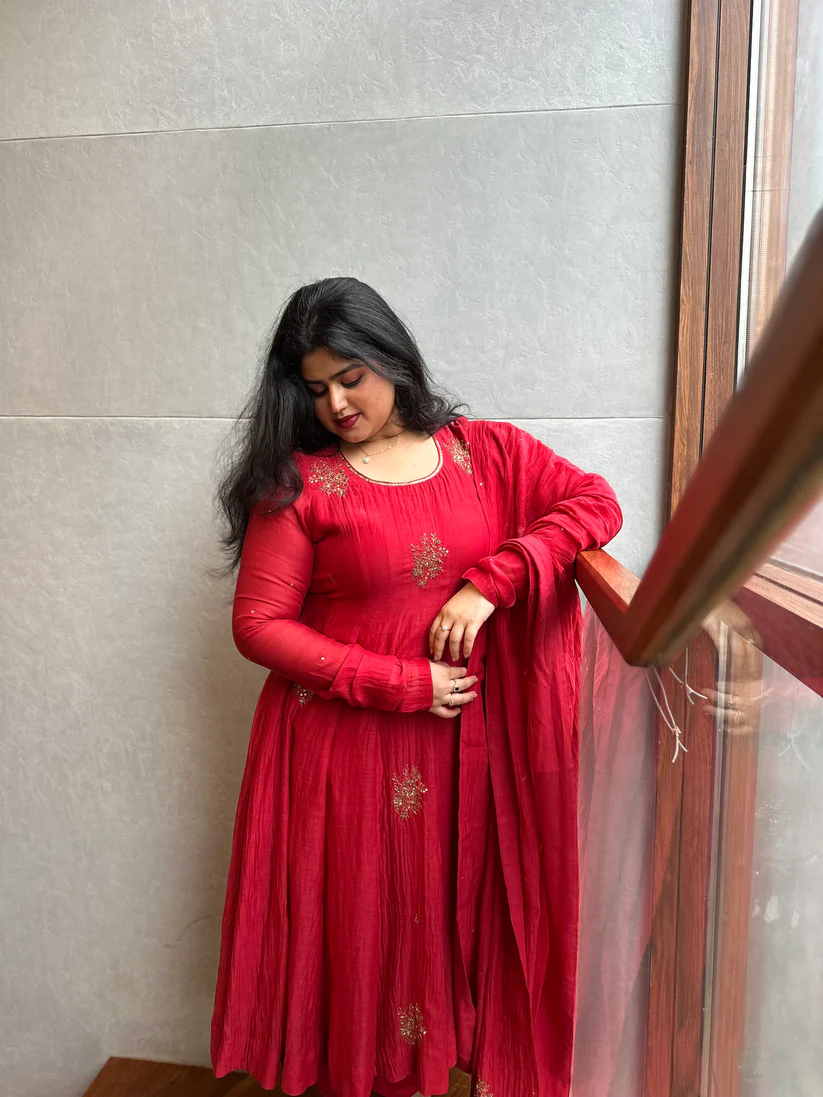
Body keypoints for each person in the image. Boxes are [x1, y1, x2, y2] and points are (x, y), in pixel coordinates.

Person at [209, 277, 623, 1097]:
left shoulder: (484, 454)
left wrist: (493, 582)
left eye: (349, 377)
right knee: (362, 939)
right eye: (315, 388)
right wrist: (400, 681)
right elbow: (257, 625)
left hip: (464, 759)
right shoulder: (297, 484)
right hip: (344, 758)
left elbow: (593, 503)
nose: (335, 404)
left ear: (390, 357)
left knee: (441, 937)